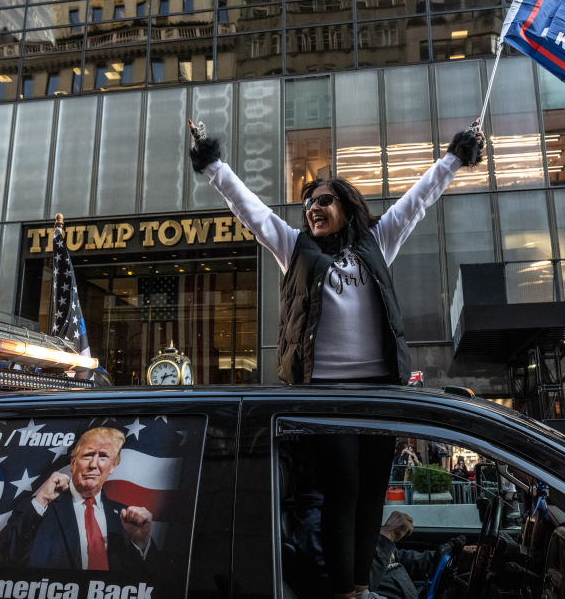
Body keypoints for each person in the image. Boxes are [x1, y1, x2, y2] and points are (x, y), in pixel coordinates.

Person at [190, 120, 486, 599]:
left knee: (373, 489)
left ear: (347, 207)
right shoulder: (296, 248)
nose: (313, 209)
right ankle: (345, 590)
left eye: (323, 200)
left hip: (379, 389)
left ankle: (362, 585)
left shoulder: (377, 242)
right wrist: (212, 163)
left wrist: (455, 156)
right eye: (308, 204)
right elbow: (251, 211)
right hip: (325, 390)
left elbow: (418, 200)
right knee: (344, 485)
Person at [0, 427, 162, 575]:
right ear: (73, 463)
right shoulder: (39, 508)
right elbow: (1, 563)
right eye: (88, 455)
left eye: (103, 456)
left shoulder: (128, 519)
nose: (93, 464)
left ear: (113, 466)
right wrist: (41, 500)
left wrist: (140, 544)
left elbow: (152, 583)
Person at [369, 511, 472, 599]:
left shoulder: (365, 542)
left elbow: (401, 558)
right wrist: (387, 535)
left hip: (419, 593)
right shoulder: (355, 552)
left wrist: (452, 557)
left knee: (476, 581)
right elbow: (364, 585)